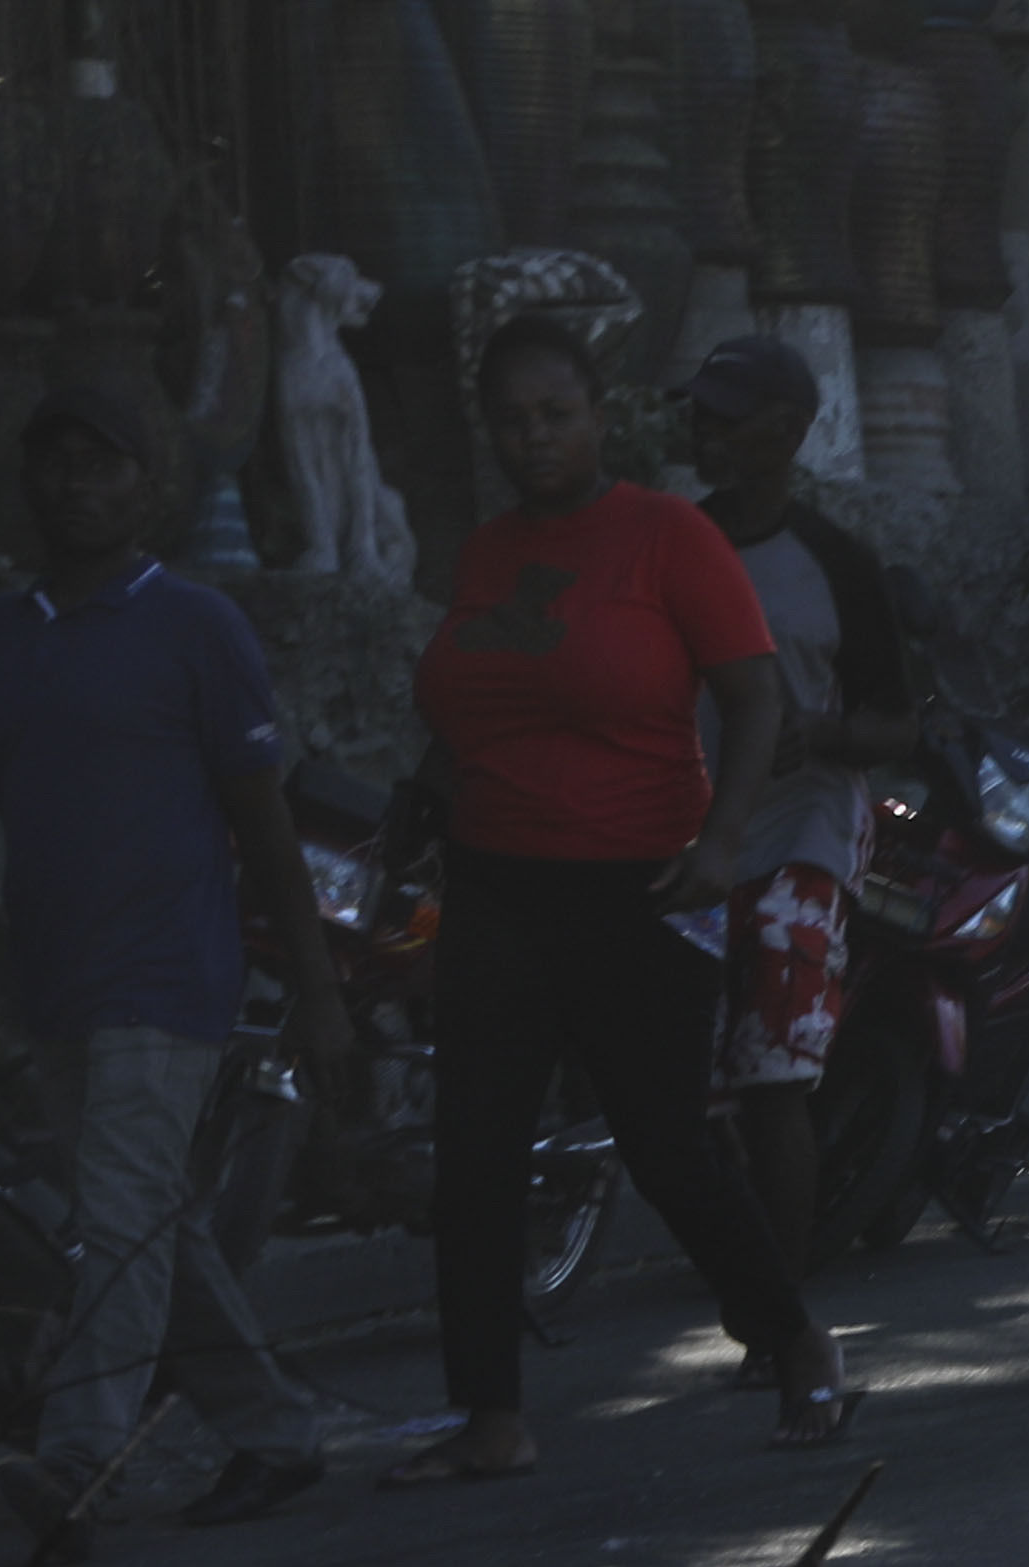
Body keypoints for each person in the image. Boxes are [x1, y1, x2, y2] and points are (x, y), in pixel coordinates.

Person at [0, 378, 349, 1527]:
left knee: (125, 1211)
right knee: (148, 1221)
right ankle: (278, 1430)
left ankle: (80, 1458)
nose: (75, 483)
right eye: (55, 462)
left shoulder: (199, 627)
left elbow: (264, 822)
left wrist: (320, 985)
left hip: (170, 974)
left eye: (103, 463)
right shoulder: (0, 639)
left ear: (149, 488)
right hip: (56, 982)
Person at [391, 308, 845, 1474]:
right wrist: (415, 822)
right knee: (477, 1155)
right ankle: (491, 1415)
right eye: (511, 420)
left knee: (667, 1148)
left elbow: (754, 700)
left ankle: (790, 1337)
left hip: (638, 884)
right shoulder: (488, 554)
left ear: (601, 418)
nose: (534, 438)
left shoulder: (663, 540)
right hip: (495, 884)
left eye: (556, 414)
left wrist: (723, 838)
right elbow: (471, 715)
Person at [673, 334, 914, 1288]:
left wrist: (818, 734)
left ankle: (777, 1306)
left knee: (775, 1076)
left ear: (789, 433)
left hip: (800, 832)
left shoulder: (837, 563)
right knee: (695, 1083)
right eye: (700, 413)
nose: (705, 431)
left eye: (726, 417)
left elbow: (898, 721)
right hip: (686, 836)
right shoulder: (674, 543)